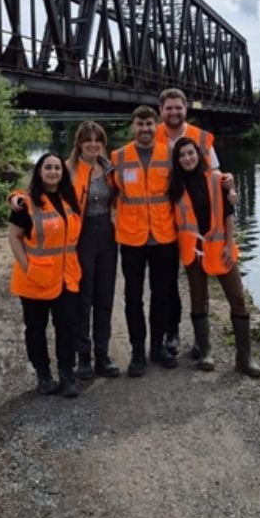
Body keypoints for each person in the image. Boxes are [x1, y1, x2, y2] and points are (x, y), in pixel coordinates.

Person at [168, 136, 260, 378]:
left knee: (237, 299)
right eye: (182, 155)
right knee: (199, 300)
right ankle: (206, 351)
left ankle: (244, 358)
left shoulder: (218, 180)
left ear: (199, 155)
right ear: (176, 161)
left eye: (191, 153)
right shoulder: (175, 187)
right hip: (193, 250)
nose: (187, 158)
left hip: (221, 248)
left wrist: (230, 245)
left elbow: (230, 213)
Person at [154, 88, 231, 358]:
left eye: (178, 107)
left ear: (185, 109)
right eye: (169, 108)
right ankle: (172, 331)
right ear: (161, 110)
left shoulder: (199, 137)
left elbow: (216, 172)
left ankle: (202, 344)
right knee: (167, 281)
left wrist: (228, 186)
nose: (174, 112)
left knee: (198, 280)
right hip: (164, 220)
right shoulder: (152, 136)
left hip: (196, 224)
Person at [7, 152, 83, 398]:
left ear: (63, 173)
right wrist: (27, 267)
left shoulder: (70, 200)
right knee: (36, 328)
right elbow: (14, 237)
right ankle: (43, 374)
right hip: (35, 278)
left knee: (66, 327)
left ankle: (67, 374)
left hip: (65, 277)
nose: (53, 172)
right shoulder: (25, 203)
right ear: (39, 172)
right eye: (48, 167)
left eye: (57, 168)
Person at [110, 105, 179, 376]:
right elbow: (101, 190)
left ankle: (158, 347)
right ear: (132, 127)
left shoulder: (170, 153)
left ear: (157, 124)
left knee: (161, 295)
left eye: (150, 124)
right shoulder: (118, 157)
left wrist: (226, 186)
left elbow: (190, 182)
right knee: (132, 297)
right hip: (131, 238)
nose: (145, 129)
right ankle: (138, 351)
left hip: (164, 236)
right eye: (140, 124)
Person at [66, 121, 120, 380]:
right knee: (83, 298)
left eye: (97, 139)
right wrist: (17, 200)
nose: (93, 144)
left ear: (103, 143)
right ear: (79, 143)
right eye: (88, 139)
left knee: (104, 297)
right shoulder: (68, 170)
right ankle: (83, 358)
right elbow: (40, 192)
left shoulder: (110, 168)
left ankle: (103, 354)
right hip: (82, 236)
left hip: (107, 235)